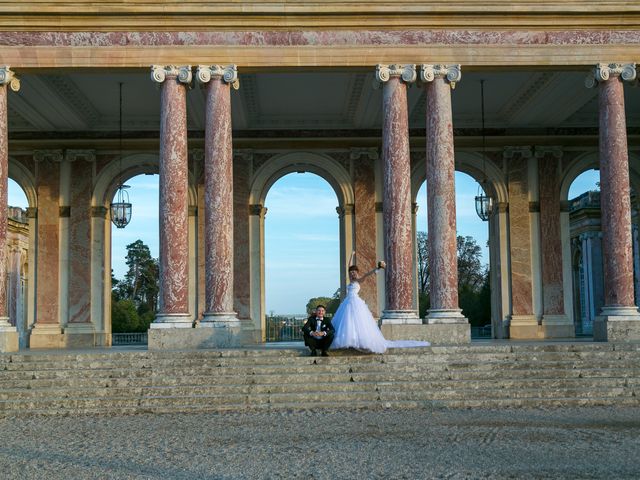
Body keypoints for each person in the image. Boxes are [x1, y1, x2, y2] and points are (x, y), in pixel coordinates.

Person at [331, 256, 430, 354]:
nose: (352, 274)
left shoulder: (359, 280)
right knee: (347, 321)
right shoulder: (350, 280)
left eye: (354, 272)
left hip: (355, 302)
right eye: (351, 272)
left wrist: (377, 268)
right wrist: (352, 256)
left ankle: (359, 341)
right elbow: (349, 266)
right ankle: (350, 340)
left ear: (357, 273)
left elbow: (368, 274)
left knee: (358, 321)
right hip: (347, 302)